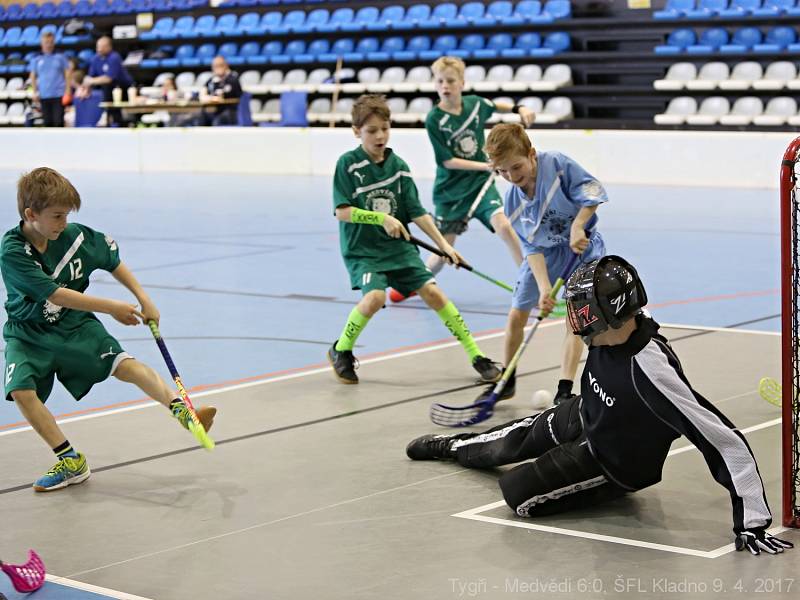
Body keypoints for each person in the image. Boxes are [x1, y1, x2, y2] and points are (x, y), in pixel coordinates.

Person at [406, 255, 795, 556]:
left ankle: (595, 484)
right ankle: (453, 447)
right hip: (587, 411)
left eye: (583, 308)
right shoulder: (609, 332)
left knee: (517, 495)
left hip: (610, 460)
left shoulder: (652, 371)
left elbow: (724, 439)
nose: (575, 317)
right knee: (504, 442)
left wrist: (753, 522)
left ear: (612, 311)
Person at [1, 168, 216, 492]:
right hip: (28, 332)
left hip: (74, 324)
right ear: (30, 214)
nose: (63, 223)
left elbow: (112, 260)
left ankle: (185, 413)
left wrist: (144, 298)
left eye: (66, 215)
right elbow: (55, 294)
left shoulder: (75, 237)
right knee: (21, 391)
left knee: (125, 365)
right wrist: (113, 307)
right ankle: (70, 460)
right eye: (57, 216)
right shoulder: (12, 250)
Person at [328, 94, 501, 385]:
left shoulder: (399, 166)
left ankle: (477, 355)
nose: (380, 135)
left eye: (385, 128)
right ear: (357, 132)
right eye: (371, 131)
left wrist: (445, 246)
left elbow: (417, 212)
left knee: (435, 294)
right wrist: (381, 218)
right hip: (364, 251)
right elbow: (342, 212)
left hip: (399, 250)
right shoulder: (348, 165)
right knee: (375, 298)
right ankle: (341, 350)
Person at [475, 123, 608, 406]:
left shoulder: (558, 165)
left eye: (516, 167)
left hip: (581, 248)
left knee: (575, 317)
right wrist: (545, 288)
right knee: (516, 316)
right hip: (544, 255)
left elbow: (593, 191)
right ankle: (507, 379)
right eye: (502, 172)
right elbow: (532, 245)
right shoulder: (513, 200)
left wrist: (578, 226)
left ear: (532, 154)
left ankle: (564, 389)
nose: (512, 176)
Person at [389, 56, 534, 303]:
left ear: (462, 83)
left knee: (505, 227)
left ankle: (530, 282)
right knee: (444, 253)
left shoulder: (475, 105)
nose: (445, 86)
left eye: (450, 81)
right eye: (440, 81)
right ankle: (414, 284)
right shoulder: (434, 119)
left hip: (479, 186)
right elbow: (447, 161)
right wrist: (486, 165)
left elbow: (494, 106)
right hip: (451, 192)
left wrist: (518, 108)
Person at [80, 36, 134, 126]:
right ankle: (106, 118)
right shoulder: (95, 59)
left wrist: (91, 81)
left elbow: (108, 79)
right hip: (108, 89)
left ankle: (114, 120)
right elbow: (89, 78)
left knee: (109, 87)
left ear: (109, 47)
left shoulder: (114, 57)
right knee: (102, 89)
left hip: (124, 87)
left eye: (102, 47)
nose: (99, 49)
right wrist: (85, 89)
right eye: (98, 47)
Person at [29, 31, 71, 127]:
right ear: (41, 43)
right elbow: (33, 75)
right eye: (46, 42)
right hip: (44, 95)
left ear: (53, 43)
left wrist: (67, 91)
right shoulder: (36, 58)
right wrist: (35, 92)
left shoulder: (61, 56)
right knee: (47, 123)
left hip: (58, 94)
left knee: (58, 121)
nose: (48, 45)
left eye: (50, 42)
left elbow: (67, 73)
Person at [199, 56, 242, 127]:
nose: (218, 68)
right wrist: (209, 97)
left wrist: (211, 97)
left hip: (231, 110)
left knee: (217, 120)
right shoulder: (212, 80)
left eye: (220, 65)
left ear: (226, 65)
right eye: (215, 66)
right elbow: (202, 93)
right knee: (200, 117)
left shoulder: (233, 79)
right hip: (215, 109)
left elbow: (222, 96)